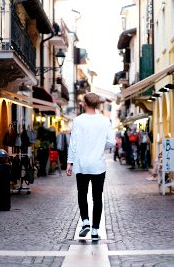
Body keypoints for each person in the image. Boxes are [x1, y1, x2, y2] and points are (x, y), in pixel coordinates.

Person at [66, 93, 115, 240]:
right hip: (98, 165)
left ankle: (85, 222)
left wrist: (70, 162)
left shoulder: (77, 121)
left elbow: (73, 143)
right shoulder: (105, 121)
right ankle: (94, 230)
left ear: (84, 104)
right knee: (97, 198)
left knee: (82, 194)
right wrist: (100, 146)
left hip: (81, 164)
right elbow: (112, 142)